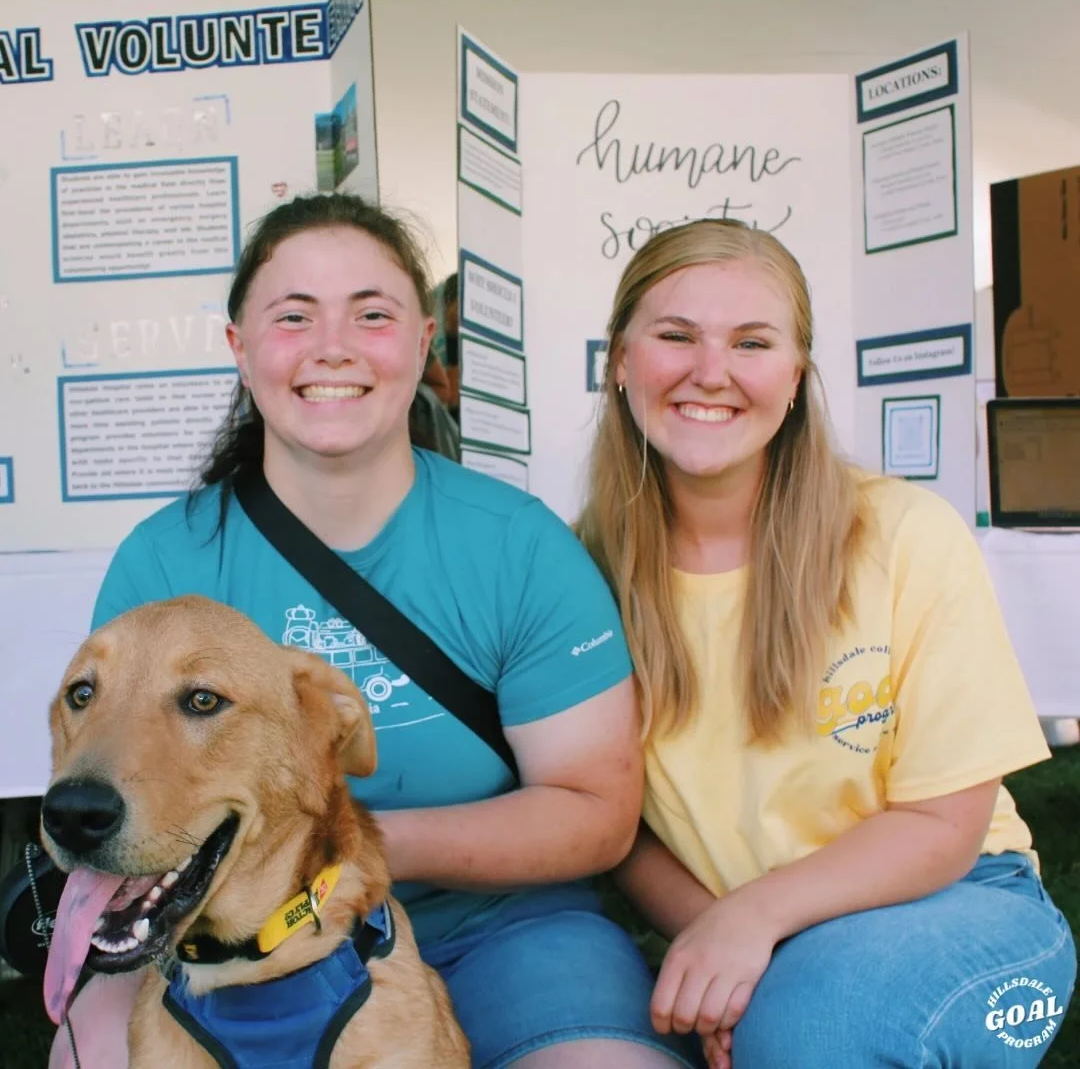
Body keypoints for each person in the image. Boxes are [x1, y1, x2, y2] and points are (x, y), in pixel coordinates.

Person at [48, 193, 703, 1069]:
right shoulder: (166, 558)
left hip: (504, 933)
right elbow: (127, 778)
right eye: (293, 317)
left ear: (423, 342)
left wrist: (347, 846)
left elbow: (597, 814)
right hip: (226, 944)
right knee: (89, 1051)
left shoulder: (518, 545)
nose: (333, 346)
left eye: (372, 314)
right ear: (240, 349)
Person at [575, 218, 1077, 1069]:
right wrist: (717, 940)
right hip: (738, 923)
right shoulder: (578, 571)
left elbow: (944, 823)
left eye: (752, 341)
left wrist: (753, 925)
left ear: (798, 374)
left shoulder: (904, 534)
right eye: (675, 336)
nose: (711, 372)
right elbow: (618, 826)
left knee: (811, 1035)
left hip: (960, 900)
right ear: (620, 360)